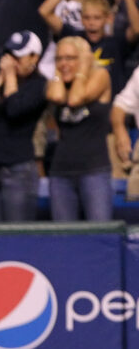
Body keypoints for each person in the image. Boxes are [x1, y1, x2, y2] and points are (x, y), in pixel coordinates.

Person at [0, 31, 48, 222]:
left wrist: (10, 76)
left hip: (18, 170)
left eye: (18, 57)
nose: (12, 62)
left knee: (16, 236)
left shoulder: (39, 86)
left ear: (34, 58)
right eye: (10, 56)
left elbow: (15, 109)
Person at [46, 36, 113, 221]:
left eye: (70, 58)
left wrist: (83, 69)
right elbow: (58, 97)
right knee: (64, 239)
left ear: (84, 58)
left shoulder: (101, 75)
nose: (63, 63)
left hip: (94, 171)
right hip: (61, 174)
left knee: (100, 238)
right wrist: (61, 72)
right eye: (59, 58)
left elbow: (75, 99)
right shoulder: (57, 83)